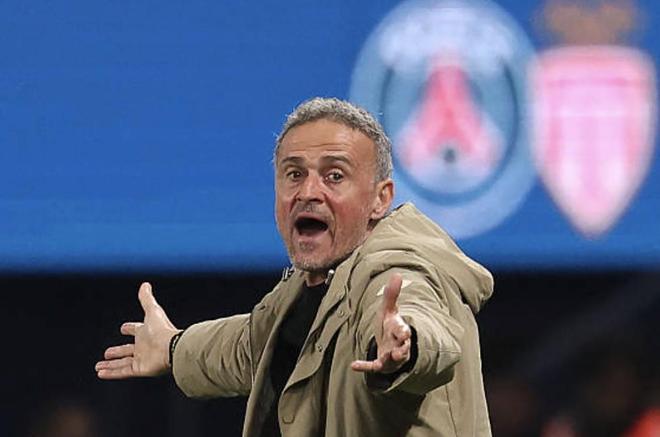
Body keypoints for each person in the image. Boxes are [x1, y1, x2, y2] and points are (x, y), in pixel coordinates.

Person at [95, 97, 494, 436]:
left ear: (380, 199)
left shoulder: (395, 266)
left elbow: (414, 311)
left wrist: (408, 345)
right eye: (294, 174)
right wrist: (172, 347)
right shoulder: (307, 289)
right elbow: (248, 347)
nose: (308, 191)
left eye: (334, 176)